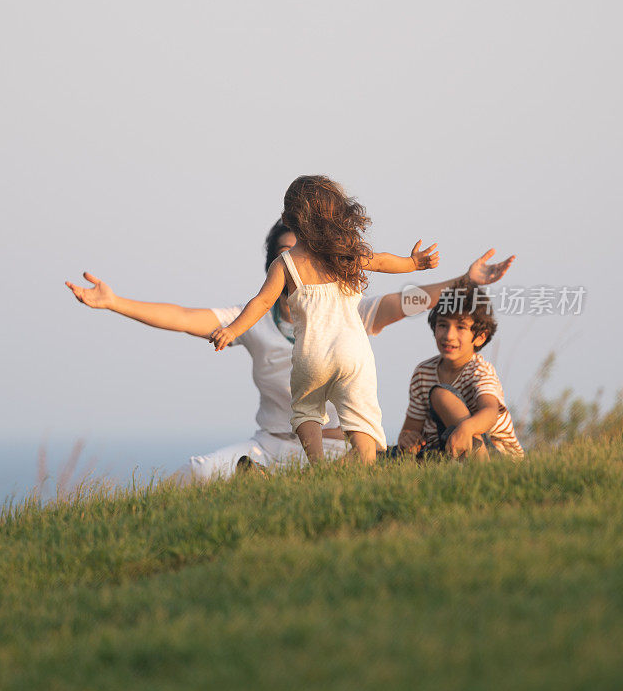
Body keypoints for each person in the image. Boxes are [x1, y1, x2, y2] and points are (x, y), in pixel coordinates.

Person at [65, 225, 514, 481]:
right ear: (273, 269)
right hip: (270, 446)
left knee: (347, 479)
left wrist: (466, 281)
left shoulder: (352, 311)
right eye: (288, 256)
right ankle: (255, 483)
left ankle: (271, 490)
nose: (299, 265)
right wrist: (114, 302)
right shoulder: (250, 318)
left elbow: (408, 301)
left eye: (309, 256)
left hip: (340, 453)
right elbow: (184, 316)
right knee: (197, 475)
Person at [209, 175, 439, 464]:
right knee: (363, 430)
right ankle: (364, 458)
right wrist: (414, 263)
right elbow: (381, 261)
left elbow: (262, 301)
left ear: (288, 219)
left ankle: (317, 465)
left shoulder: (286, 263)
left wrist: (232, 330)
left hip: (311, 355)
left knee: (306, 410)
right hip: (353, 353)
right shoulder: (346, 254)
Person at [397, 276, 524, 460]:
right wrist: (408, 438)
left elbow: (490, 412)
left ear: (480, 337)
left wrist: (467, 428)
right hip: (446, 450)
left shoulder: (480, 371)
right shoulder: (423, 373)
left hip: (496, 454)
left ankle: (481, 468)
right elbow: (411, 427)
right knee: (382, 455)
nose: (449, 335)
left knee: (440, 395)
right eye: (443, 325)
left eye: (461, 327)